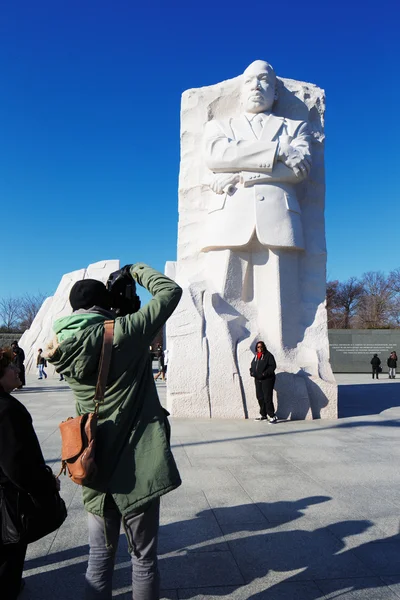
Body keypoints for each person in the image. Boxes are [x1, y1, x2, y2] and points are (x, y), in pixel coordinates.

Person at [46, 263, 182, 599]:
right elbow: (171, 292)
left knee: (99, 557)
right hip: (138, 464)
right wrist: (135, 270)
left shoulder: (61, 345)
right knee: (143, 559)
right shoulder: (123, 332)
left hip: (92, 462)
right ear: (105, 303)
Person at [202, 59, 312, 348]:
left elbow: (298, 171)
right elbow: (217, 156)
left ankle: (285, 361)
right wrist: (277, 150)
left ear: (275, 93)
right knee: (221, 298)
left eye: (264, 80)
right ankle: (224, 361)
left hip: (279, 219)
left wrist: (238, 172)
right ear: (240, 92)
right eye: (250, 80)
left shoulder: (296, 127)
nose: (256, 86)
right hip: (229, 218)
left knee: (279, 303)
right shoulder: (220, 126)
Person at [0, 348, 60, 599]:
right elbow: (17, 466)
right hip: (9, 498)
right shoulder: (6, 410)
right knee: (10, 552)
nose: (17, 370)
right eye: (11, 367)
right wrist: (47, 484)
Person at [250, 341, 278, 423]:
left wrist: (264, 374)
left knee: (267, 397)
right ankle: (263, 414)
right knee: (260, 397)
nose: (260, 348)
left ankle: (272, 415)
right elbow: (252, 366)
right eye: (258, 347)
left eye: (261, 346)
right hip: (258, 379)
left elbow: (273, 366)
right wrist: (251, 372)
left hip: (267, 379)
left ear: (264, 347)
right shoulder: (256, 356)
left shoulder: (268, 355)